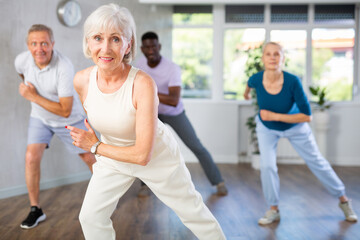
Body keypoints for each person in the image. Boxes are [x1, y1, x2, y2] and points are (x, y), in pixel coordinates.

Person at [66, 4, 226, 240]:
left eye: (115, 39)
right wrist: (101, 147)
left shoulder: (142, 84)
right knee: (90, 217)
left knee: (194, 214)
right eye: (98, 38)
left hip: (156, 157)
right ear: (88, 42)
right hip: (112, 157)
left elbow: (142, 156)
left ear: (128, 44)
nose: (105, 48)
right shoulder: (81, 80)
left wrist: (95, 146)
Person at [244, 41, 358, 225]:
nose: (272, 57)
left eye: (277, 54)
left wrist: (274, 115)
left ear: (283, 58)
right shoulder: (256, 78)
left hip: (295, 127)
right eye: (268, 54)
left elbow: (307, 116)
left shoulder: (292, 81)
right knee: (267, 166)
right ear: (263, 58)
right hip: (267, 128)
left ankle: (344, 200)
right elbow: (248, 86)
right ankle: (273, 209)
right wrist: (246, 94)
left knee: (317, 162)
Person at [15, 24, 96, 229]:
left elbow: (65, 110)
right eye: (34, 43)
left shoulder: (64, 67)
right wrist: (33, 93)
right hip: (40, 119)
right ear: (28, 45)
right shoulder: (22, 60)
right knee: (31, 157)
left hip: (68, 120)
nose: (39, 48)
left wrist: (33, 96)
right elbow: (22, 75)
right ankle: (36, 209)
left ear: (52, 44)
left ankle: (105, 201)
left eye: (44, 43)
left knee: (90, 157)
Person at [135, 31, 228, 197]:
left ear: (159, 47)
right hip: (152, 113)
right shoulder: (139, 66)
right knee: (145, 147)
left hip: (173, 112)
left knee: (196, 146)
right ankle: (145, 185)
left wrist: (149, 92)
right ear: (142, 49)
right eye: (147, 47)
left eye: (154, 46)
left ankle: (218, 181)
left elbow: (173, 100)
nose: (151, 50)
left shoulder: (172, 68)